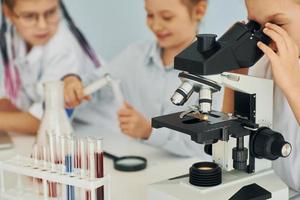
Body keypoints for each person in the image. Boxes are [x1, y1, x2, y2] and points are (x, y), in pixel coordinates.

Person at [64, 0, 214, 158]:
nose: (156, 26)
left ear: (199, 11)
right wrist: (73, 82)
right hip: (140, 163)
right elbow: (97, 86)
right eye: (150, 15)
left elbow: (204, 145)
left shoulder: (213, 71)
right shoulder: (134, 56)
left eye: (167, 17)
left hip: (189, 172)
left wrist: (149, 131)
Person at [224, 0, 300, 192]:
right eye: (256, 25)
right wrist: (235, 74)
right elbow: (230, 135)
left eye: (278, 25)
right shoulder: (263, 63)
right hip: (279, 188)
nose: (265, 37)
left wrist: (292, 85)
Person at [0, 0, 101, 134]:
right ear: (7, 12)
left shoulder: (64, 47)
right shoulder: (11, 39)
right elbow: (8, 104)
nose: (42, 25)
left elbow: (47, 121)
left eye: (51, 12)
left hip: (101, 133)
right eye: (29, 16)